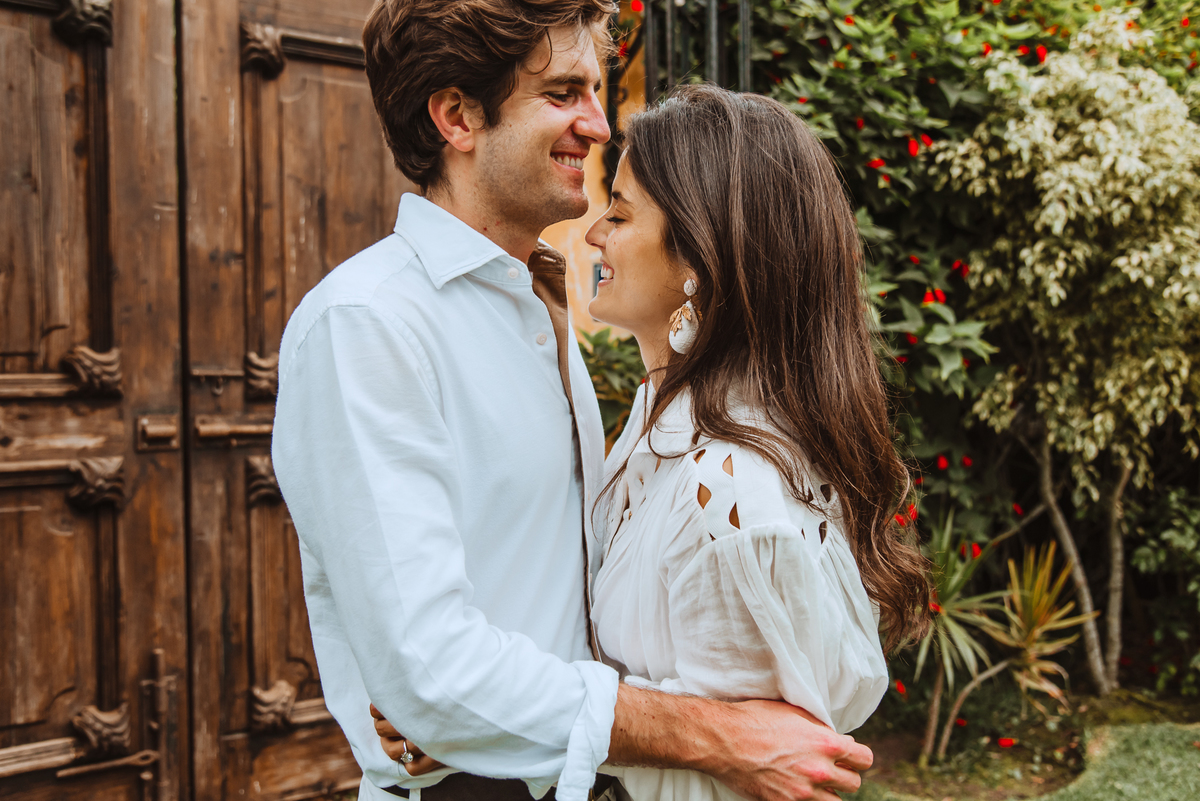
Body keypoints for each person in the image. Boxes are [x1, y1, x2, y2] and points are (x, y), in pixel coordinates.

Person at [272, 2, 874, 801]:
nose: (597, 123)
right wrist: (718, 734)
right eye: (563, 93)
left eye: (595, 90)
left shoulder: (540, 304)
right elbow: (431, 669)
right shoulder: (369, 324)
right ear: (457, 117)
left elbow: (564, 591)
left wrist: (458, 710)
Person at [371, 82, 933, 799]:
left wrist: (477, 720)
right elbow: (642, 682)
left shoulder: (727, 490)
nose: (593, 233)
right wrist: (475, 718)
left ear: (697, 259)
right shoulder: (659, 425)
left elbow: (747, 763)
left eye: (620, 212)